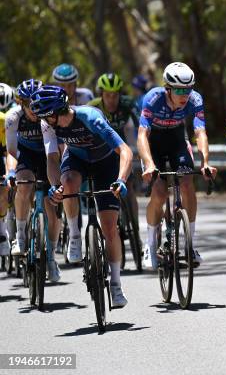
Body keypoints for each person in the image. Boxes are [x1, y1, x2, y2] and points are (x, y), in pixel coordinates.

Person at [32, 85, 132, 307]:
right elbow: (51, 158)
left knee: (109, 229)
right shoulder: (47, 123)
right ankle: (75, 236)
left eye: (46, 116)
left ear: (58, 111)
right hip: (77, 159)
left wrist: (121, 180)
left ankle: (115, 284)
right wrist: (56, 186)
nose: (44, 120)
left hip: (106, 162)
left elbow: (125, 151)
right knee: (67, 183)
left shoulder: (90, 117)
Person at [138, 62, 216, 269]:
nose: (185, 95)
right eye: (180, 90)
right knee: (160, 192)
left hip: (176, 141)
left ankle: (191, 244)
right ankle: (150, 244)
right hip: (153, 142)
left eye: (188, 89)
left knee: (187, 183)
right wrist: (148, 164)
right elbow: (142, 135)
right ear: (168, 88)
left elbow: (200, 133)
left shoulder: (195, 99)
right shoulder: (153, 99)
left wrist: (205, 162)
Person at [6, 79, 62, 280]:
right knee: (23, 186)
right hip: (26, 156)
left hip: (48, 156)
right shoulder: (13, 118)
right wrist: (11, 173)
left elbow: (51, 152)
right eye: (28, 104)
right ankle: (20, 236)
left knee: (53, 209)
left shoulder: (46, 117)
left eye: (34, 102)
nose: (32, 108)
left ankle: (52, 258)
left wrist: (56, 181)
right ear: (21, 103)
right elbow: (11, 152)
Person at [89, 73, 139, 224]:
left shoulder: (128, 105)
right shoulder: (93, 107)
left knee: (129, 187)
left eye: (115, 95)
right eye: (107, 95)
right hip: (100, 152)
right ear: (101, 94)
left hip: (120, 150)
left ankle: (135, 229)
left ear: (120, 94)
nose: (111, 100)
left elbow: (143, 128)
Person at [0, 83, 14, 256]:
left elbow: (7, 152)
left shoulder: (3, 119)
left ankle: (2, 231)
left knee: (4, 189)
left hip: (1, 154)